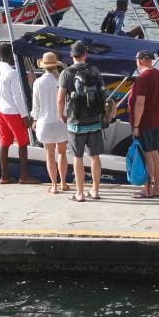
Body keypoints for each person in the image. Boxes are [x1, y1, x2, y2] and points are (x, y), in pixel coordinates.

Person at [57, 40, 105, 202]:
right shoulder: (95, 70)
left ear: (72, 56)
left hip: (76, 121)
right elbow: (102, 92)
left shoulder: (67, 73)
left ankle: (79, 193)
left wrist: (61, 115)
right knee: (95, 156)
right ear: (86, 54)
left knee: (77, 157)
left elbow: (60, 98)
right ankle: (96, 190)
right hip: (94, 120)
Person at [127, 49, 159, 200]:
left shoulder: (143, 77)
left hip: (145, 122)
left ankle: (148, 190)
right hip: (156, 120)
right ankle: (156, 188)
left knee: (147, 155)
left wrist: (136, 125)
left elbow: (140, 104)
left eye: (137, 60)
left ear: (143, 60)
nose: (136, 62)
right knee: (155, 154)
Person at [0, 43, 32, 184]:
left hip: (0, 110)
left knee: (5, 142)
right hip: (13, 111)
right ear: (9, 56)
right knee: (23, 143)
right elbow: (17, 97)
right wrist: (25, 116)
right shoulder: (12, 73)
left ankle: (5, 176)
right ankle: (24, 176)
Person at [31, 51, 70, 194]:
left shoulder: (38, 82)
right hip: (61, 121)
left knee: (49, 155)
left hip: (44, 122)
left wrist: (34, 119)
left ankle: (54, 185)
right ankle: (64, 183)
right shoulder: (61, 81)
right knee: (62, 153)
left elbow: (36, 106)